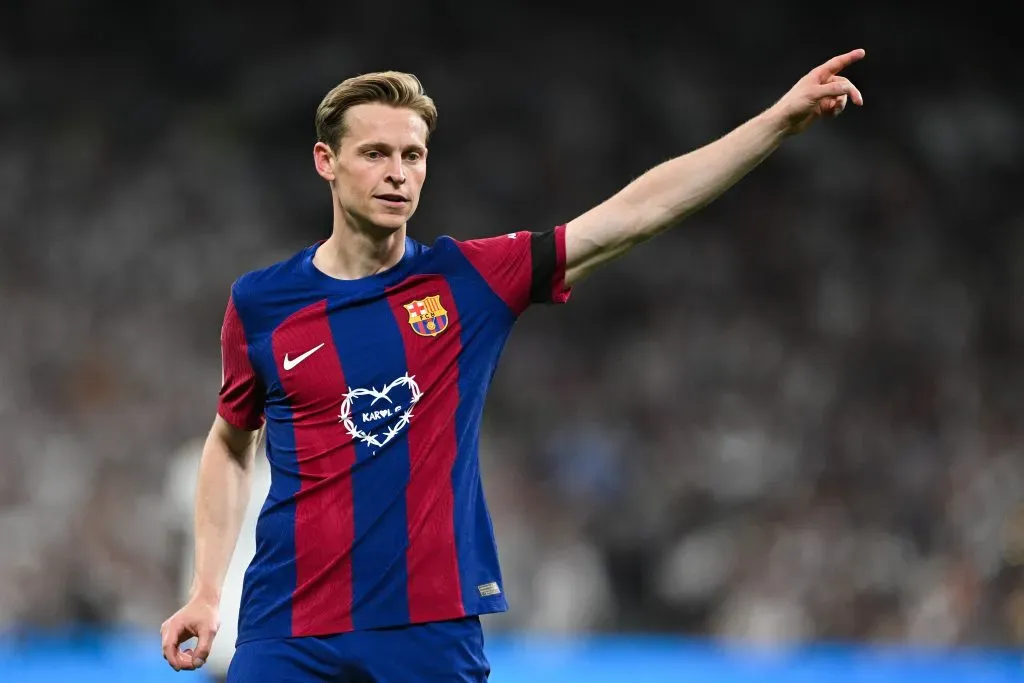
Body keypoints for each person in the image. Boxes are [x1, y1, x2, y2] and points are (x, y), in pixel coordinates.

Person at [160, 48, 865, 681]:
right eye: (375, 153)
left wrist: (775, 121)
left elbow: (636, 212)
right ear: (326, 161)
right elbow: (229, 442)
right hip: (287, 629)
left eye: (413, 155)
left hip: (427, 628)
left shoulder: (466, 280)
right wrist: (206, 589)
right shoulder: (261, 303)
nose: (398, 173)